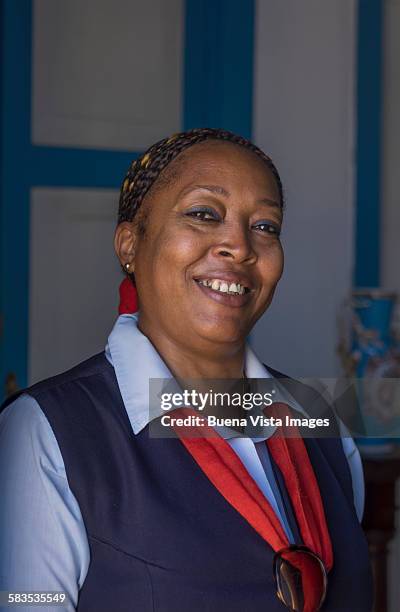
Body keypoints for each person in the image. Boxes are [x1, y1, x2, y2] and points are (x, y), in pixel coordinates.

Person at [0, 128, 372, 611]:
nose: (239, 246)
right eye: (203, 214)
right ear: (130, 245)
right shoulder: (46, 432)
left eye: (266, 226)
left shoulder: (322, 421)